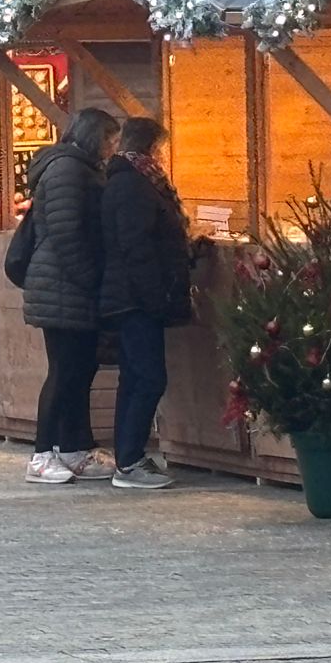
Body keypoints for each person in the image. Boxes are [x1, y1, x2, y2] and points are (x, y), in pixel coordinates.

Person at [20, 107, 120, 485]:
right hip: (62, 288)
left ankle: (72, 447)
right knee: (62, 373)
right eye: (110, 140)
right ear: (96, 137)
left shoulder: (79, 168)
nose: (113, 148)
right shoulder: (66, 170)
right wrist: (90, 278)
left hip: (68, 288)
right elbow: (67, 234)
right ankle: (42, 453)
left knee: (79, 370)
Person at [99, 117, 194, 491]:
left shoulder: (129, 181)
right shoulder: (132, 185)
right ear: (151, 147)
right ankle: (129, 460)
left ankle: (128, 455)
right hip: (135, 298)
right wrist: (156, 296)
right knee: (148, 377)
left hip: (132, 296)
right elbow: (136, 246)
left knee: (135, 377)